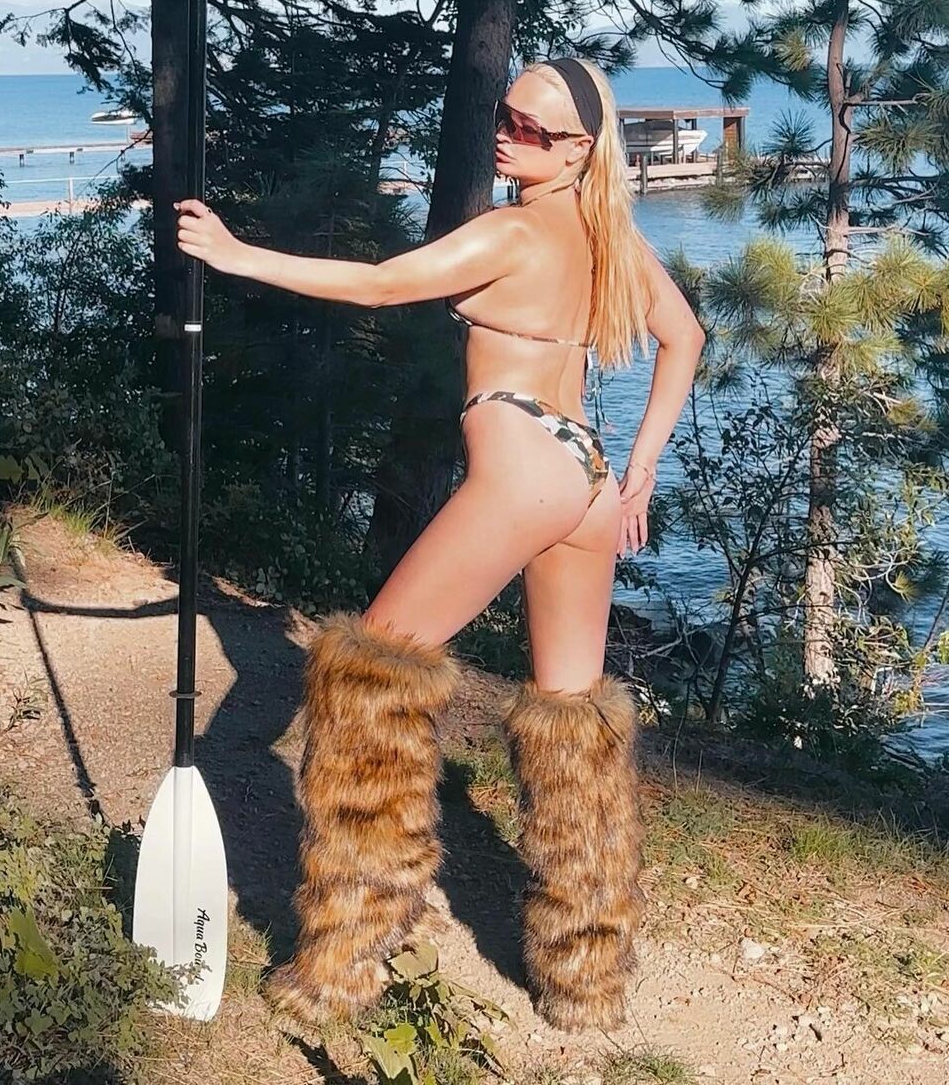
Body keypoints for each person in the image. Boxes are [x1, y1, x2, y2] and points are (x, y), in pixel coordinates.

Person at [174, 56, 705, 1033]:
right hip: (584, 474)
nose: (508, 134)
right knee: (574, 722)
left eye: (532, 129)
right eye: (505, 115)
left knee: (367, 681)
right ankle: (586, 979)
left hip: (522, 473)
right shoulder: (609, 232)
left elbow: (381, 285)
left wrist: (238, 255)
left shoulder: (511, 232)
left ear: (579, 150)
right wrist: (639, 469)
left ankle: (343, 961)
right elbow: (687, 338)